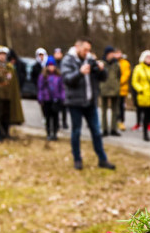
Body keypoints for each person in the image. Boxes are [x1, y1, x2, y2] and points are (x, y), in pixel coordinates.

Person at [61, 38, 115, 170]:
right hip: (75, 102)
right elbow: (67, 80)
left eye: (89, 50)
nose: (87, 52)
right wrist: (80, 72)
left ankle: (102, 159)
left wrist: (102, 69)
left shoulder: (90, 59)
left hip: (90, 102)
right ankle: (77, 159)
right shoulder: (68, 60)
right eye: (85, 49)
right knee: (76, 132)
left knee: (96, 131)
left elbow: (103, 78)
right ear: (77, 47)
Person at [0, 45, 25, 141]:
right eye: (0, 55)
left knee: (7, 115)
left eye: (4, 55)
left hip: (8, 94)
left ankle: (6, 133)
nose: (2, 57)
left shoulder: (8, 66)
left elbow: (12, 80)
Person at [37, 56, 66, 141]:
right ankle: (49, 133)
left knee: (55, 117)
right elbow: (40, 88)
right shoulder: (43, 76)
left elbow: (62, 88)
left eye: (52, 65)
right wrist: (40, 98)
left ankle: (55, 133)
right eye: (49, 66)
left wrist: (62, 98)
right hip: (46, 100)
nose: (51, 67)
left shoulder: (58, 76)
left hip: (56, 100)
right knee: (48, 118)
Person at [99, 46, 123, 137]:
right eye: (111, 53)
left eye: (113, 53)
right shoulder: (102, 64)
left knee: (115, 110)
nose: (112, 55)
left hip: (114, 89)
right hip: (104, 89)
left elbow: (119, 76)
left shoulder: (116, 64)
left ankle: (114, 129)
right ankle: (104, 129)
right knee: (104, 110)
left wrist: (117, 85)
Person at [53, 47, 68, 130]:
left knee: (64, 106)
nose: (58, 55)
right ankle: (57, 123)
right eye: (56, 53)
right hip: (55, 88)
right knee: (56, 106)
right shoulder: (53, 64)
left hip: (63, 87)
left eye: (59, 53)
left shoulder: (64, 63)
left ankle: (64, 122)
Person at [118, 50, 131, 132]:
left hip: (122, 89)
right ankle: (115, 121)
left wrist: (117, 82)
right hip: (113, 89)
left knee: (121, 106)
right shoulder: (112, 62)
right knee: (115, 106)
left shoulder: (125, 63)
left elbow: (126, 75)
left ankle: (121, 121)